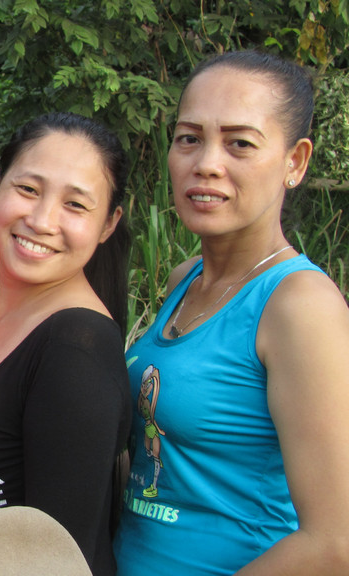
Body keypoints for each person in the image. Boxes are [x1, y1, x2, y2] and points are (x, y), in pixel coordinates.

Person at [113, 50, 349, 575]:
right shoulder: (186, 279)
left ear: (295, 162)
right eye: (189, 138)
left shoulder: (299, 307)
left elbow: (335, 543)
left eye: (240, 143)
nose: (206, 163)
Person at [0, 112, 132, 576]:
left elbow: (57, 561)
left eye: (76, 204)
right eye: (29, 189)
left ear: (108, 223)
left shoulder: (76, 350)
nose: (41, 220)